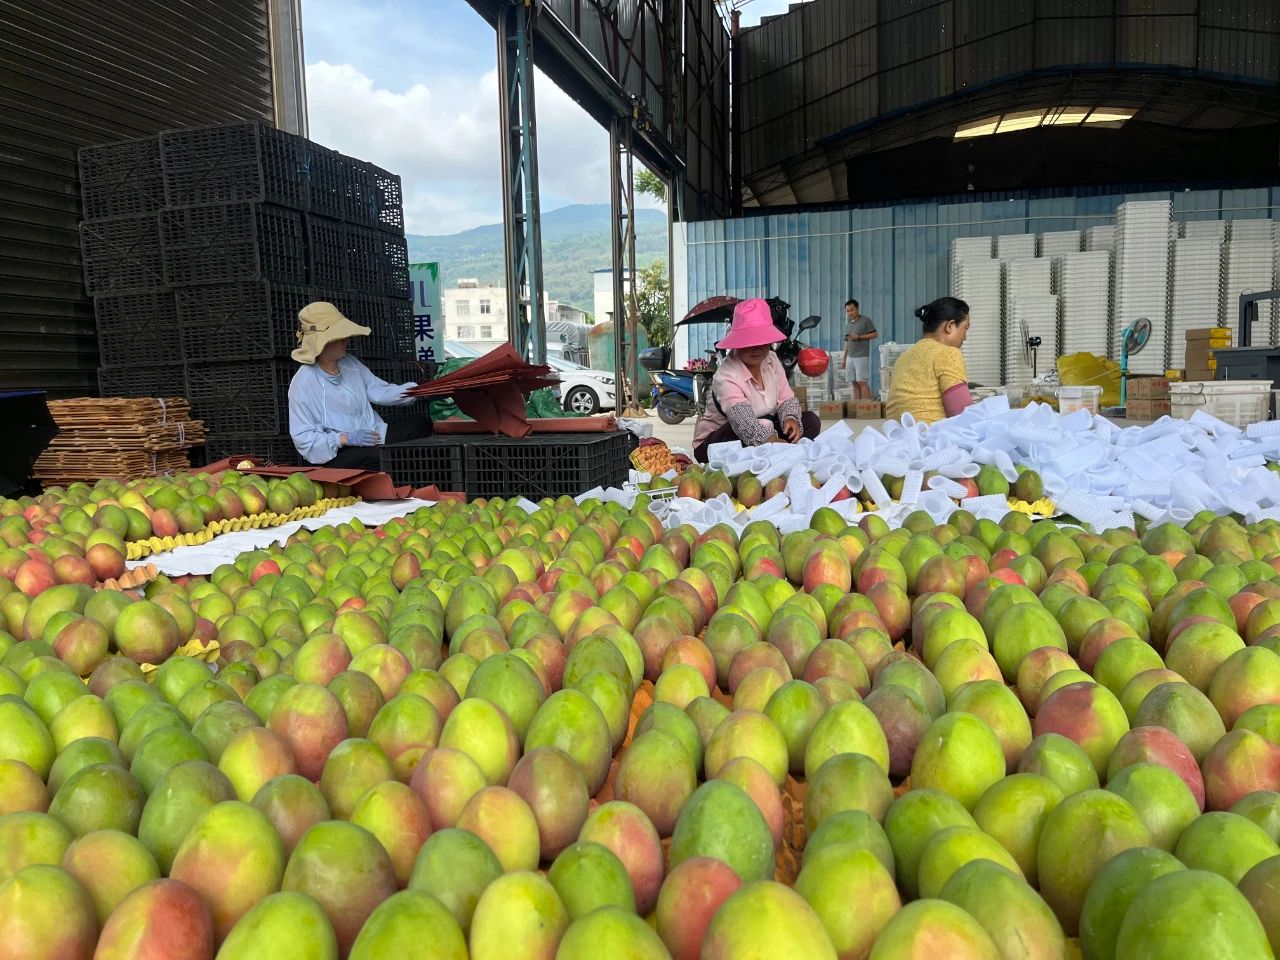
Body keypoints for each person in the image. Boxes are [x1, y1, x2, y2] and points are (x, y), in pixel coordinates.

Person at [288, 301, 431, 470]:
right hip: (335, 455)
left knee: (421, 425)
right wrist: (345, 439)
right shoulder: (304, 382)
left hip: (373, 437)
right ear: (322, 343)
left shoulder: (351, 364)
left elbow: (379, 391)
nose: (346, 340)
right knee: (381, 458)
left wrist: (417, 391)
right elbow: (304, 439)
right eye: (340, 337)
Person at [692, 298, 821, 462]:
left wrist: (790, 418)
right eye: (748, 343)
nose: (756, 349)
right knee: (737, 432)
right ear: (737, 343)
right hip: (719, 441)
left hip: (762, 425)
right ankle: (772, 453)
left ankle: (774, 452)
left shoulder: (772, 360)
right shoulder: (725, 375)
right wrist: (770, 441)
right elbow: (742, 420)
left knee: (810, 421)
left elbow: (786, 398)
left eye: (761, 341)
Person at [884, 296, 974, 424]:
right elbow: (962, 414)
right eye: (965, 328)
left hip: (899, 437)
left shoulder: (903, 358)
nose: (965, 337)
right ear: (950, 326)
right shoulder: (948, 353)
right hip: (930, 438)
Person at [840, 298, 878, 400]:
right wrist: (844, 358)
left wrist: (859, 337)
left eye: (852, 310)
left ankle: (867, 408)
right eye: (847, 311)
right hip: (850, 357)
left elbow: (875, 334)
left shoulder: (865, 321)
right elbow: (847, 342)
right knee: (854, 382)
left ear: (857, 309)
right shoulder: (848, 324)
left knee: (862, 382)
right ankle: (857, 408)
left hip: (861, 356)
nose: (850, 313)